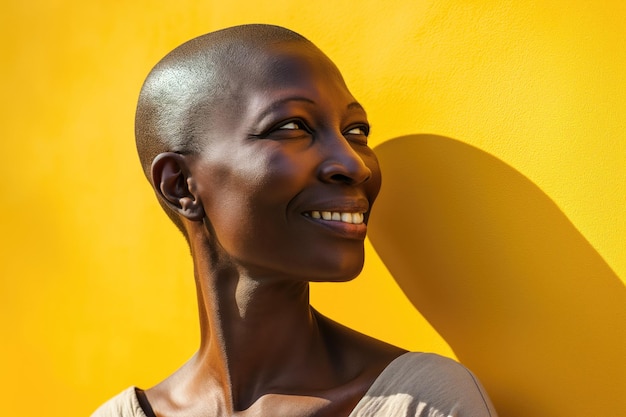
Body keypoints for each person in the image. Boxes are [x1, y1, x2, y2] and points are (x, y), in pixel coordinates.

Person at [92, 24, 498, 417]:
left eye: (356, 131)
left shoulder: (424, 404)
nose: (354, 164)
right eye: (291, 126)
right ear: (180, 185)